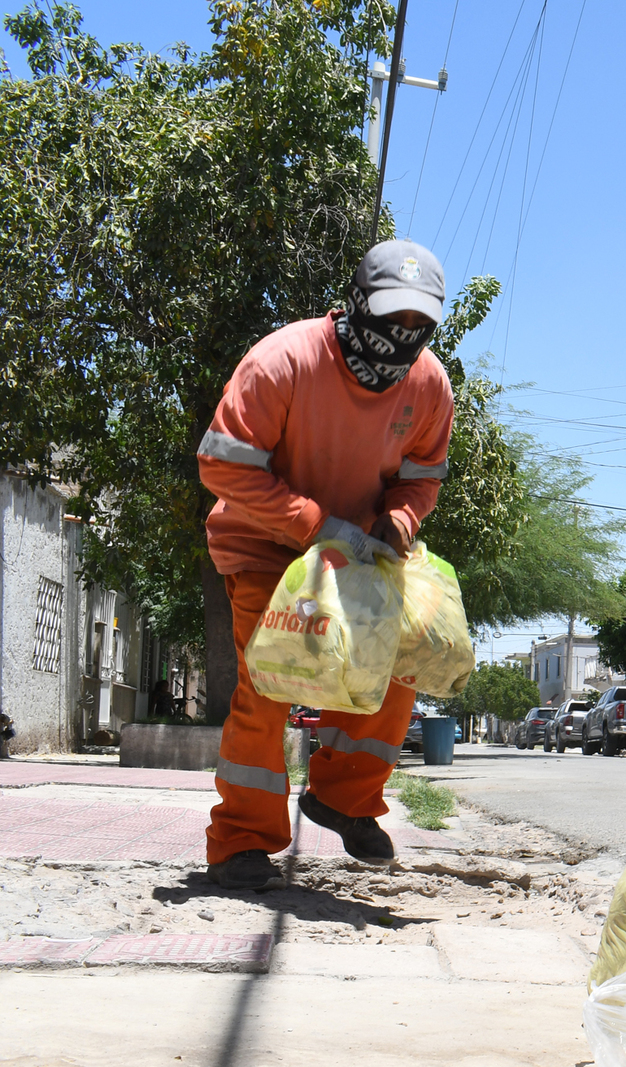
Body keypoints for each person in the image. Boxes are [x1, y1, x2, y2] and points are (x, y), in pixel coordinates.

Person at [195, 240, 454, 889]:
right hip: (265, 546)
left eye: (420, 325)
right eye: (393, 318)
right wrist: (312, 525)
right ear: (358, 303)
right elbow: (223, 464)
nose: (404, 337)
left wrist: (400, 518)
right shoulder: (284, 361)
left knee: (395, 668)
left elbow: (421, 478)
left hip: (360, 556)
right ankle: (241, 842)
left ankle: (341, 799)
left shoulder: (428, 387)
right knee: (272, 681)